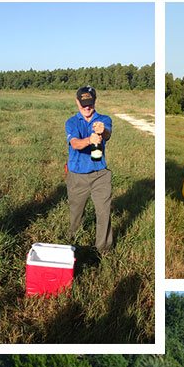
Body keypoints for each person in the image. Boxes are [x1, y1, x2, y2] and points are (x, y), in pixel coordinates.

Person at [65, 85, 113, 254]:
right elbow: (75, 144)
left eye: (90, 103)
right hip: (77, 175)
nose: (87, 107)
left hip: (100, 174)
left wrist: (102, 131)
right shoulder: (71, 122)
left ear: (95, 102)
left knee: (104, 212)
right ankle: (73, 245)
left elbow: (107, 134)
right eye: (83, 103)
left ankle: (103, 250)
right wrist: (89, 140)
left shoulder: (103, 119)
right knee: (76, 213)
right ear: (77, 102)